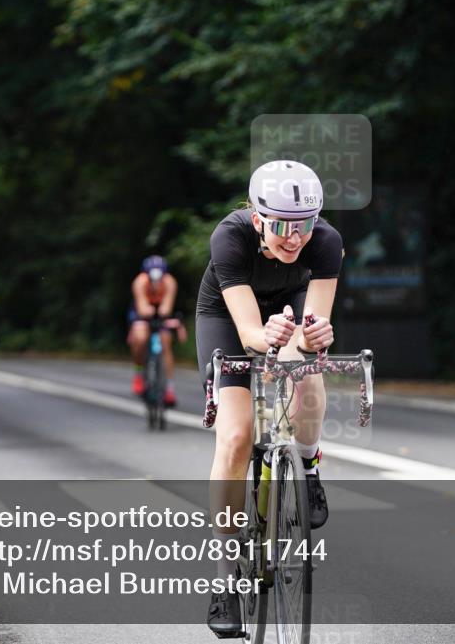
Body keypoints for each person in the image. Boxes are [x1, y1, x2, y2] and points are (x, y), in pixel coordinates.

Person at [197, 160, 341, 636]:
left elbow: (312, 327)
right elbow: (247, 332)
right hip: (229, 314)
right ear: (258, 218)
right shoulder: (229, 238)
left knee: (308, 376)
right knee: (236, 437)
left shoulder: (326, 242)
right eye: (281, 225)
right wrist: (265, 337)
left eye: (304, 224)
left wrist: (314, 336)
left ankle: (308, 465)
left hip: (290, 299)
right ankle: (223, 583)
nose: (294, 237)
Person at [126, 255, 183, 406]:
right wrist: (148, 311)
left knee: (165, 342)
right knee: (141, 337)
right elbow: (143, 307)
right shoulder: (140, 282)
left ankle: (169, 388)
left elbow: (167, 307)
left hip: (161, 314)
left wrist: (165, 314)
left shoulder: (170, 282)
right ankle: (139, 373)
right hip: (141, 313)